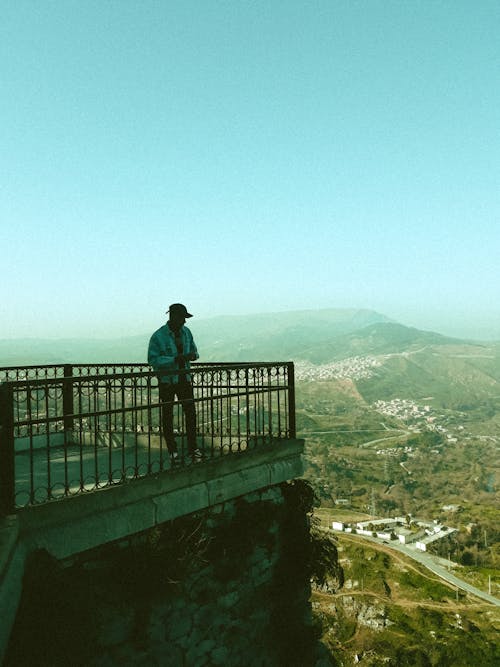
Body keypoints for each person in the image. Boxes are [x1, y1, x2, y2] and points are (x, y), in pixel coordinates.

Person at [148, 303, 202, 463]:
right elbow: (153, 360)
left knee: (191, 414)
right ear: (173, 317)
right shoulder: (158, 336)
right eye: (182, 318)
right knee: (168, 415)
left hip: (184, 379)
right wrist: (174, 359)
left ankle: (193, 449)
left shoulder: (186, 333)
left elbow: (195, 351)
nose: (185, 322)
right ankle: (173, 451)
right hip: (167, 382)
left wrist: (192, 356)